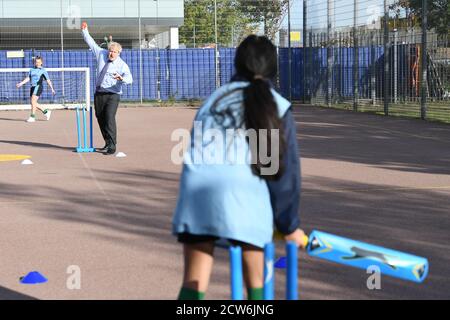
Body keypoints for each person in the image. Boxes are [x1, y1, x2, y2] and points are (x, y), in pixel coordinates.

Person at [172, 35, 305, 300]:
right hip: (245, 194)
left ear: (237, 64)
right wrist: (288, 225)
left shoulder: (213, 99)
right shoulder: (275, 104)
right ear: (273, 69)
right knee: (256, 279)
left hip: (198, 190)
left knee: (194, 281)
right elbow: (280, 172)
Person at [81, 22, 133, 155]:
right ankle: (107, 142)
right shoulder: (101, 54)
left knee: (109, 117)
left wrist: (121, 79)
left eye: (114, 52)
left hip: (113, 94)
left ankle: (112, 145)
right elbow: (91, 42)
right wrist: (85, 31)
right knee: (100, 117)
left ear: (119, 53)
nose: (111, 53)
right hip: (99, 93)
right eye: (110, 50)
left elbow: (130, 79)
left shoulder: (122, 65)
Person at [16, 56, 56, 122]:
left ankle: (32, 117)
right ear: (34, 62)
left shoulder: (43, 71)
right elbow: (28, 78)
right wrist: (21, 83)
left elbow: (48, 80)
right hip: (32, 87)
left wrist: (52, 88)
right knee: (33, 102)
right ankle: (46, 112)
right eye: (36, 62)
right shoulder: (31, 70)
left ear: (41, 62)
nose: (37, 63)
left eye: (39, 62)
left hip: (38, 86)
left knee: (33, 101)